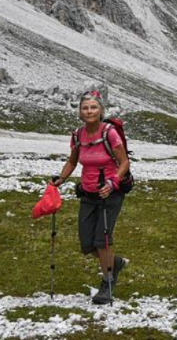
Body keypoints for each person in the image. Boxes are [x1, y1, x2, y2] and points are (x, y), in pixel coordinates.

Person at [50, 90, 130, 304]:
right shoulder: (78, 135)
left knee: (101, 240)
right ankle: (116, 262)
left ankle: (107, 282)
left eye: (93, 107)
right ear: (80, 112)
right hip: (88, 193)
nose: (89, 111)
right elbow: (72, 161)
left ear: (101, 110)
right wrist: (61, 178)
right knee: (87, 244)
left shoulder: (109, 133)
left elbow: (124, 163)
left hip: (110, 194)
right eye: (85, 108)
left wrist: (113, 183)